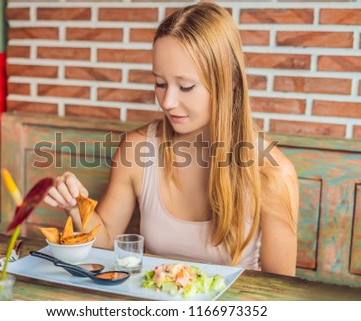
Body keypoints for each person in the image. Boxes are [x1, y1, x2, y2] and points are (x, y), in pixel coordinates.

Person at [44, 1, 299, 276]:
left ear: (230, 83)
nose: (167, 102)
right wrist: (75, 205)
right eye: (160, 83)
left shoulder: (272, 172)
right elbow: (104, 244)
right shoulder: (136, 149)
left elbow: (280, 291)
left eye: (186, 86)